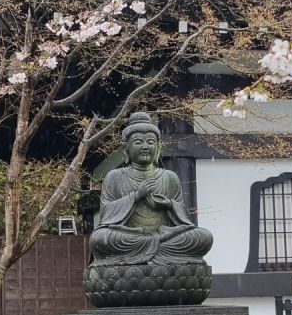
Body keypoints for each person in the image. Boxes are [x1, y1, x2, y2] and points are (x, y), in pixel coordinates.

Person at [88, 111, 213, 267]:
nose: (145, 147)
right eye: (138, 142)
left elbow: (184, 220)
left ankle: (149, 253)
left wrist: (168, 204)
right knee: (100, 239)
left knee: (203, 237)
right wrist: (136, 195)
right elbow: (106, 215)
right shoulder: (114, 177)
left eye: (150, 142)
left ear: (158, 148)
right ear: (126, 149)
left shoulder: (169, 177)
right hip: (131, 237)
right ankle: (158, 255)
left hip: (164, 237)